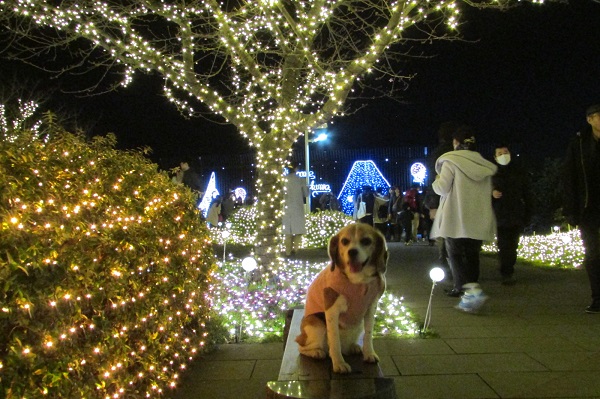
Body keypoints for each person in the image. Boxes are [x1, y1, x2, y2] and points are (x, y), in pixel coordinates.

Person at [431, 125, 497, 313]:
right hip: (477, 215)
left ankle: (469, 291)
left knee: (455, 254)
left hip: (456, 216)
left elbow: (442, 188)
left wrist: (436, 180)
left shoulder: (451, 162)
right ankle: (471, 289)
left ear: (456, 143)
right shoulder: (482, 164)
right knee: (472, 254)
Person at [562, 103, 600, 314]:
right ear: (590, 119)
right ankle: (597, 297)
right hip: (589, 207)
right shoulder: (578, 144)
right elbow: (569, 177)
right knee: (593, 253)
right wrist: (570, 209)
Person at [492, 144, 533, 286]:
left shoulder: (518, 172)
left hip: (515, 213)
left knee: (513, 244)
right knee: (504, 245)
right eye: (500, 153)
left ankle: (509, 268)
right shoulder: (492, 173)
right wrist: (492, 194)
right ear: (495, 157)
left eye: (505, 152)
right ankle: (506, 272)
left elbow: (527, 193)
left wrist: (528, 212)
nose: (503, 155)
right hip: (500, 215)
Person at [427, 122, 461, 270]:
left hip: (443, 198)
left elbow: (433, 180)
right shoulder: (461, 154)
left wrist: (432, 204)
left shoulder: (438, 153)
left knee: (445, 235)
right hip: (460, 199)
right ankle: (459, 267)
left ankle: (446, 264)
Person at [282, 162, 309, 257]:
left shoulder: (283, 180)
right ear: (296, 168)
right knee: (298, 231)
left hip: (287, 208)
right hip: (298, 208)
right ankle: (295, 249)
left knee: (288, 233)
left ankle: (288, 252)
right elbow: (306, 194)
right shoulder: (300, 180)